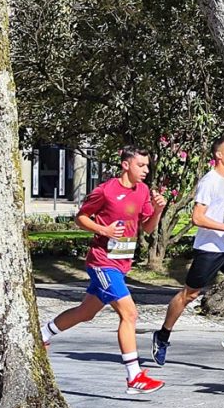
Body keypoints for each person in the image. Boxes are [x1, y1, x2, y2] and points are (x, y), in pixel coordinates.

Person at [40, 146, 167, 394]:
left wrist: (159, 209)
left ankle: (43, 332)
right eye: (141, 165)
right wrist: (104, 231)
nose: (146, 170)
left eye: (147, 166)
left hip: (121, 265)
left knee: (86, 312)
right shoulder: (106, 191)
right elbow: (81, 217)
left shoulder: (142, 191)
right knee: (129, 314)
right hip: (102, 263)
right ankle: (134, 377)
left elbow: (149, 228)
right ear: (126, 165)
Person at [151, 137, 224, 365]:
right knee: (189, 295)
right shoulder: (209, 181)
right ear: (218, 155)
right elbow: (197, 217)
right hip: (209, 249)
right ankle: (162, 336)